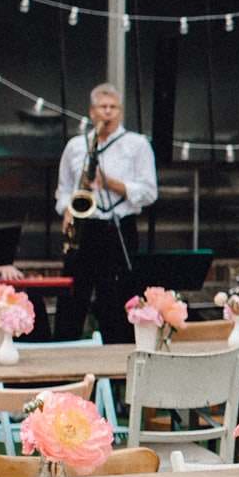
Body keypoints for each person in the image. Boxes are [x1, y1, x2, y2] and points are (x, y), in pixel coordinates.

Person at [55, 83, 158, 342]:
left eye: (113, 108)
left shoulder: (136, 145)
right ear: (92, 112)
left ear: (121, 112)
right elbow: (64, 189)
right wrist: (67, 209)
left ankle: (117, 364)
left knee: (115, 298)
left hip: (118, 226)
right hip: (85, 226)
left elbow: (149, 192)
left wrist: (109, 182)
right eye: (103, 107)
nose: (108, 113)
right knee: (72, 299)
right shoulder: (77, 146)